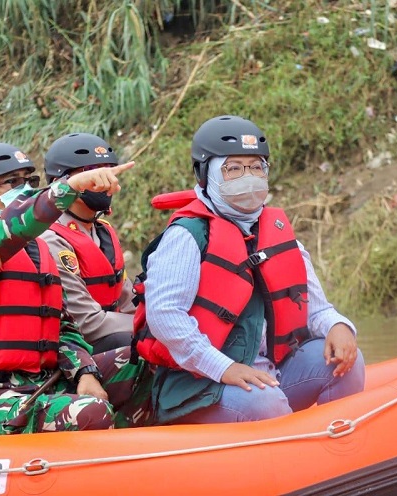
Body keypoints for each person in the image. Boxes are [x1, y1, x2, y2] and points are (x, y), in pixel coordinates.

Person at [136, 115, 366, 425]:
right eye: (234, 169)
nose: (249, 177)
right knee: (265, 400)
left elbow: (316, 308)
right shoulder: (187, 236)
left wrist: (338, 326)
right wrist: (224, 368)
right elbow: (165, 316)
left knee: (348, 362)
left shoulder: (279, 235)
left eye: (256, 167)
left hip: (269, 371)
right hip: (201, 383)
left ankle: (336, 445)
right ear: (205, 174)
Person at [0, 142, 152, 437]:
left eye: (29, 181)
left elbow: (62, 326)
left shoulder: (37, 252)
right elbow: (14, 228)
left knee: (145, 358)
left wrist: (85, 372)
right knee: (91, 411)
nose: (24, 189)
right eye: (12, 182)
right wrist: (71, 186)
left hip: (46, 382)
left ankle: (136, 448)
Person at [39, 133, 135, 354]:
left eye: (109, 170)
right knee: (145, 343)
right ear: (61, 181)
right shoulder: (51, 238)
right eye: (93, 172)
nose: (105, 181)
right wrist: (149, 326)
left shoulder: (103, 231)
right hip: (73, 350)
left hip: (109, 335)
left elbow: (128, 301)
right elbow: (86, 322)